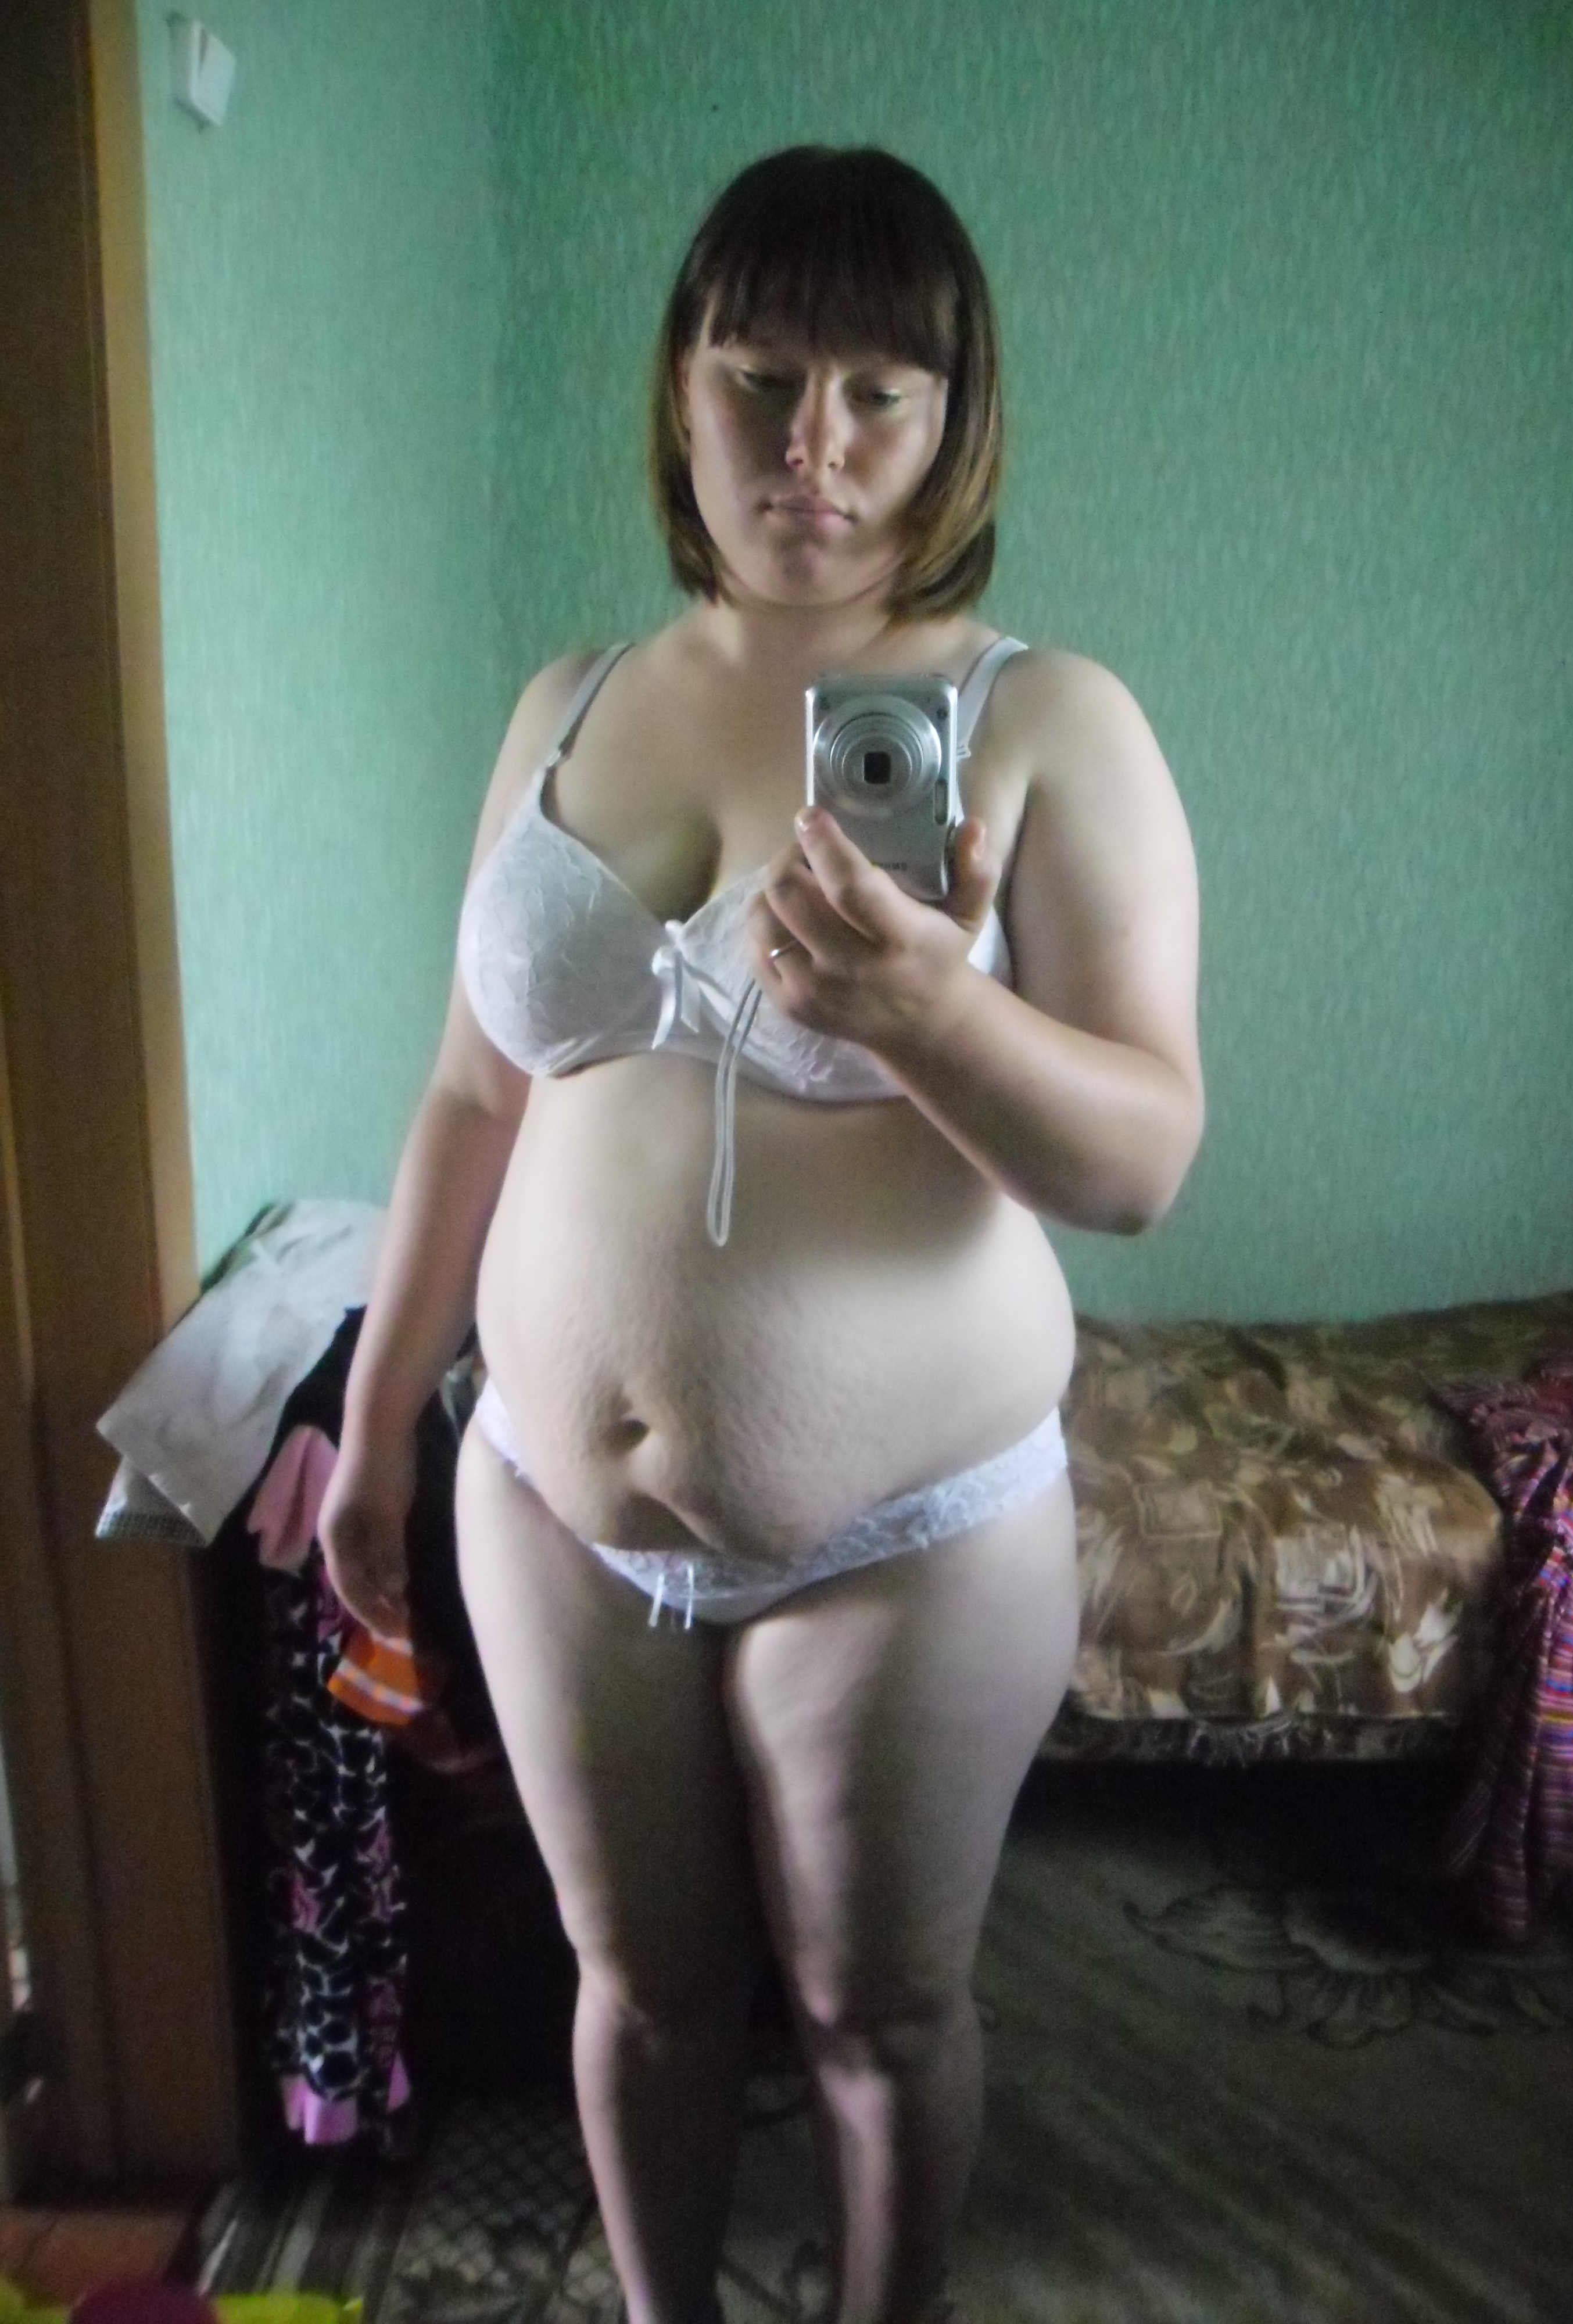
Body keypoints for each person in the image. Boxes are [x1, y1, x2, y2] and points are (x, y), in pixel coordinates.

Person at [318, 145, 1202, 2324]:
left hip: (908, 1535)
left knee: (881, 2023)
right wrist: (378, 1414)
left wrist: (930, 1012)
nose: (814, 445)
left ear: (953, 421)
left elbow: (1143, 1156)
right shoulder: (567, 701)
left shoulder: (1047, 723)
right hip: (551, 1510)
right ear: (681, 390)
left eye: (880, 392)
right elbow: (470, 1096)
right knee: (636, 1993)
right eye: (762, 377)